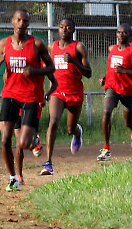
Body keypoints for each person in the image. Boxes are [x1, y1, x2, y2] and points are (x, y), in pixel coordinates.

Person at [0, 9, 56, 191]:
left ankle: (34, 143)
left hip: (30, 97)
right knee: (4, 140)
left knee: (23, 143)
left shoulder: (37, 44)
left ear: (28, 24)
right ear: (12, 21)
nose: (21, 24)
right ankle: (13, 178)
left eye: (25, 21)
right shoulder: (3, 45)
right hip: (10, 95)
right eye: (18, 20)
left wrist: (34, 71)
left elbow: (52, 67)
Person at [39, 17, 92, 176]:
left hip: (75, 92)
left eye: (68, 27)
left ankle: (77, 132)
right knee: (53, 121)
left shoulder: (78, 47)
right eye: (61, 27)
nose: (64, 30)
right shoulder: (51, 47)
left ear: (73, 30)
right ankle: (48, 163)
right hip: (57, 91)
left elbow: (88, 73)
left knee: (70, 128)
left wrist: (74, 62)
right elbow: (45, 69)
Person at [98, 24, 132, 160]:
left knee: (129, 123)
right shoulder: (112, 49)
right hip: (112, 87)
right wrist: (105, 77)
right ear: (116, 34)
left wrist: (125, 71)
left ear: (129, 35)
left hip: (126, 90)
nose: (121, 35)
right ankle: (106, 148)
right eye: (119, 32)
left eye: (124, 33)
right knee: (106, 111)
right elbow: (111, 67)